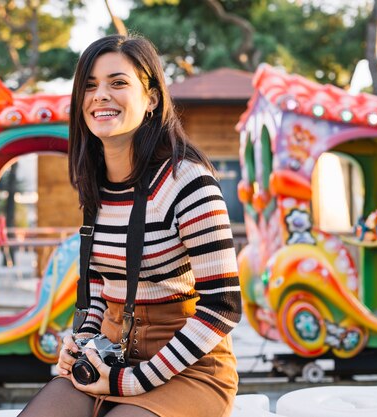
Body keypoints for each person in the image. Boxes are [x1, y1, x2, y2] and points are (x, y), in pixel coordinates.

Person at [20, 34, 241, 417]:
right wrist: (82, 342)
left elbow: (222, 306)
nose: (100, 95)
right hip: (111, 360)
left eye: (117, 83)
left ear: (151, 98)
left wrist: (132, 382)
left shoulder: (187, 181)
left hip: (188, 369)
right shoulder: (96, 183)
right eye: (89, 86)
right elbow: (99, 290)